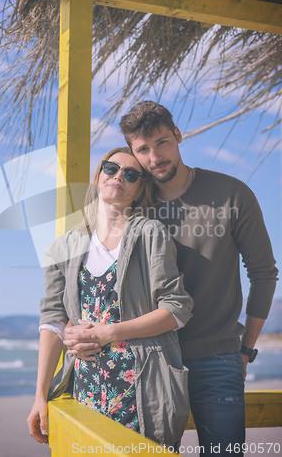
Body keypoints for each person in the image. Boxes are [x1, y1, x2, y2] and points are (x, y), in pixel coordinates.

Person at [65, 102, 278, 457]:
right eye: (142, 149)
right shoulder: (135, 207)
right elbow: (96, 280)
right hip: (149, 360)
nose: (154, 156)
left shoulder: (231, 194)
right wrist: (76, 331)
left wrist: (246, 349)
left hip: (216, 357)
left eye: (162, 142)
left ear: (178, 136)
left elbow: (263, 273)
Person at [27, 147, 193, 448]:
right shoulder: (63, 247)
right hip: (85, 391)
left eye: (131, 174)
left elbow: (177, 309)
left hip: (142, 391)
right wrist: (40, 395)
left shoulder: (151, 234)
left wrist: (110, 332)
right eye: (111, 167)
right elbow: (52, 320)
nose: (118, 176)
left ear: (140, 188)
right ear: (99, 174)